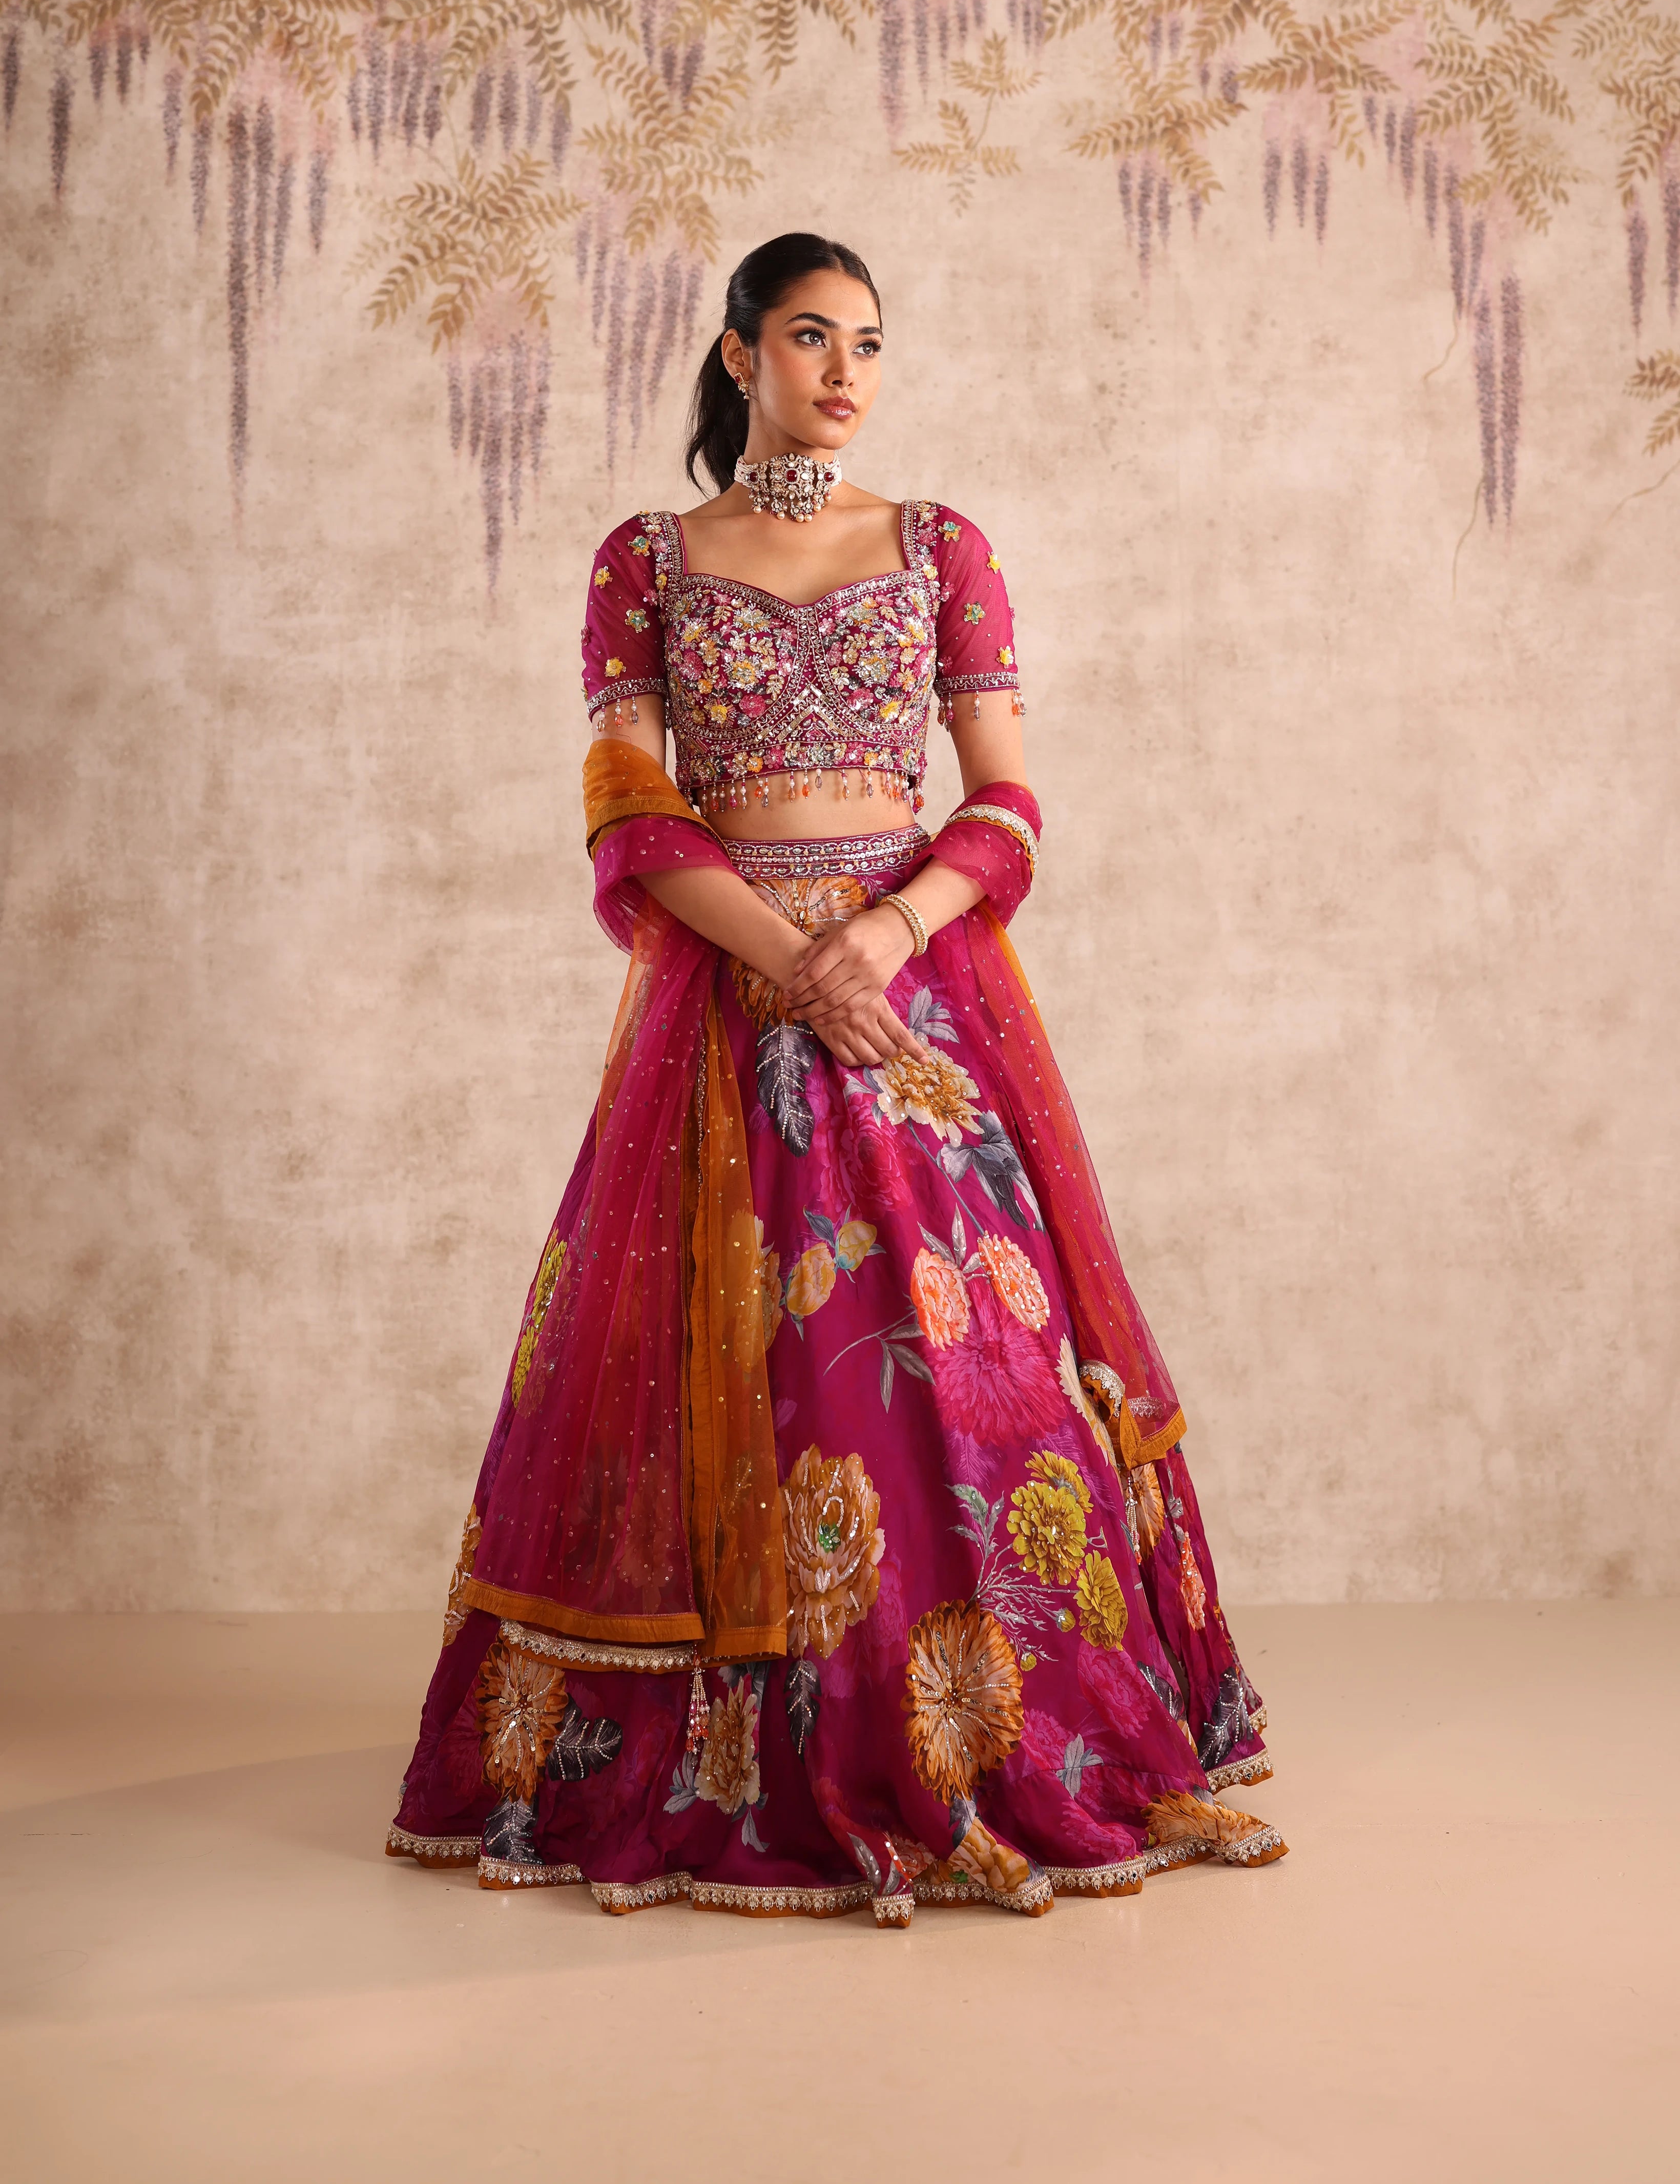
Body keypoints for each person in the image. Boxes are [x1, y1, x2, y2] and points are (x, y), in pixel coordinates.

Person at [386, 231, 1284, 1924]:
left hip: (910, 995)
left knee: (949, 1366)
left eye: (868, 340)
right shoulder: (645, 560)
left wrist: (887, 933)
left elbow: (1006, 801)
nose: (846, 370)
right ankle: (740, 1759)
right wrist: (788, 959)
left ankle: (967, 1732)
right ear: (738, 355)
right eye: (809, 336)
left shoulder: (943, 548)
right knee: (732, 1357)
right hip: (731, 1007)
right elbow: (630, 813)